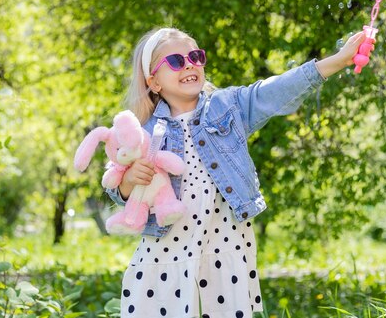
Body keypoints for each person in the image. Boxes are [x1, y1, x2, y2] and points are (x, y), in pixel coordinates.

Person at [105, 27, 365, 318]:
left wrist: (338, 61)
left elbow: (279, 88)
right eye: (176, 61)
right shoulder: (143, 132)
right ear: (153, 82)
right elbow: (118, 189)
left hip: (224, 246)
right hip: (167, 252)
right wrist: (129, 180)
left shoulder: (228, 107)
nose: (190, 64)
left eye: (195, 56)